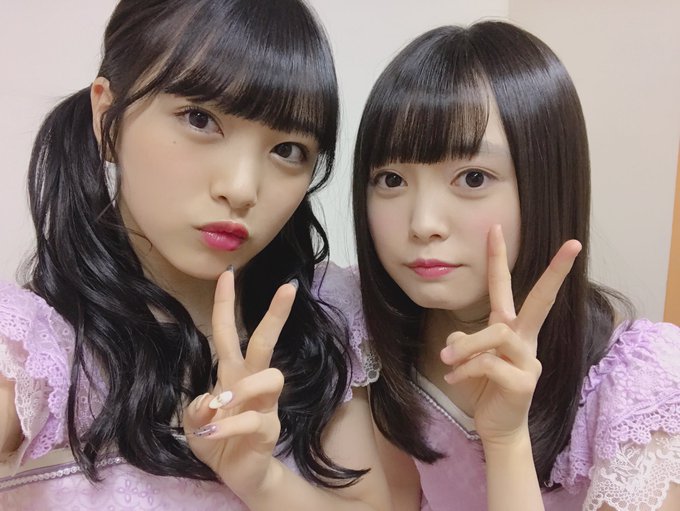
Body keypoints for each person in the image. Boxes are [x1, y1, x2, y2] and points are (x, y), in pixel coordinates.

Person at [0, 1, 390, 509]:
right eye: (200, 119)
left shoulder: (320, 321)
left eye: (288, 150)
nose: (242, 188)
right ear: (107, 116)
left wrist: (263, 482)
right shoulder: (33, 355)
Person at [351, 21, 680, 511]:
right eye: (392, 179)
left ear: (547, 185)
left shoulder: (643, 387)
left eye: (473, 177)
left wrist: (506, 440)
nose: (422, 224)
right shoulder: (379, 339)